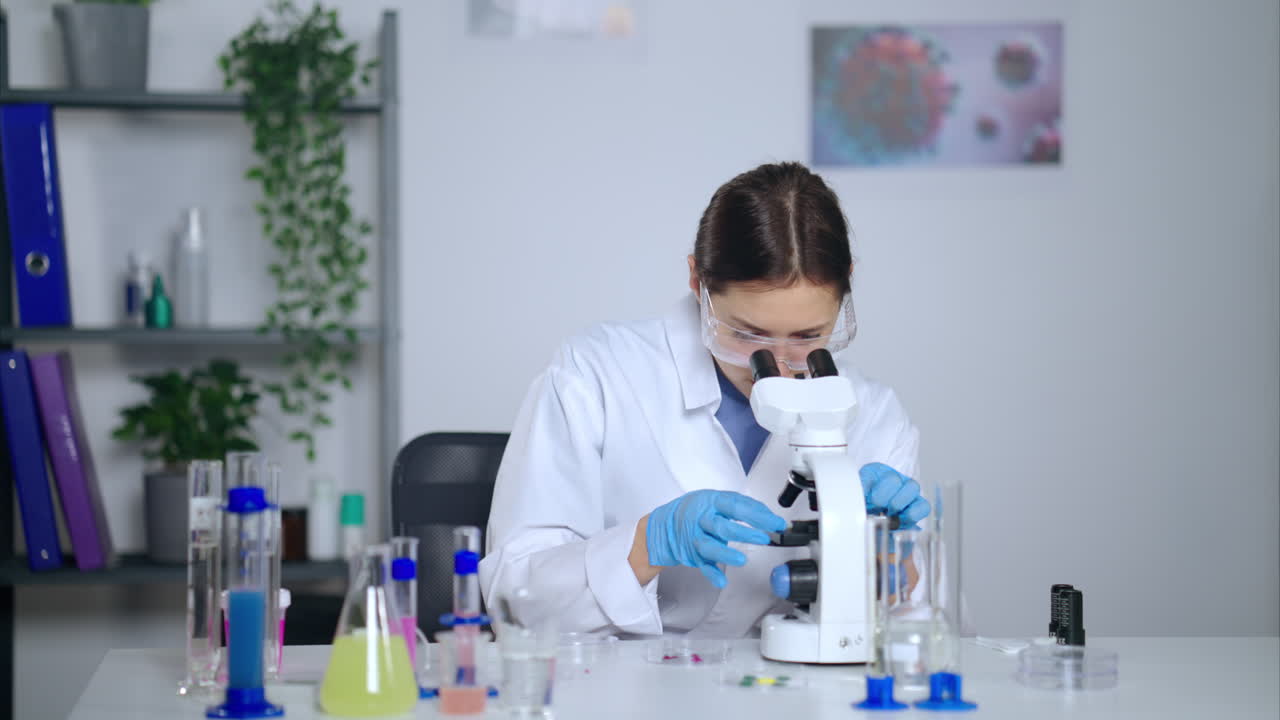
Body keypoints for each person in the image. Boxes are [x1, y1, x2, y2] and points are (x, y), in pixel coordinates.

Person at [479, 162, 928, 637]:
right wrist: (644, 546)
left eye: (808, 336)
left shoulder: (875, 415)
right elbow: (516, 599)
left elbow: (924, 630)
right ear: (698, 283)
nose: (777, 363)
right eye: (747, 334)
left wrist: (893, 565)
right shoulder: (595, 376)